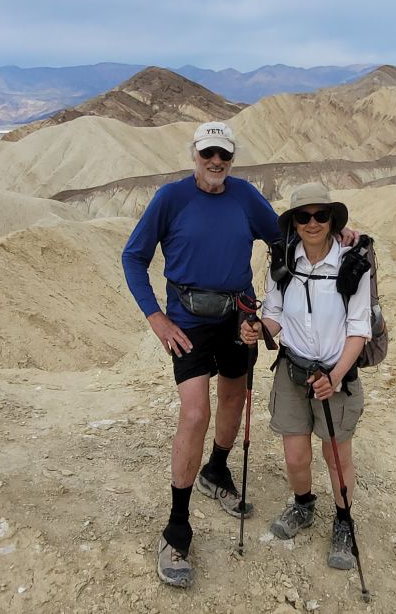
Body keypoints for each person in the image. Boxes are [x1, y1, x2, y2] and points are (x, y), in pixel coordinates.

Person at [122, 121, 280, 588]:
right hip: (187, 321)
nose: (216, 163)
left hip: (238, 317)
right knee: (195, 413)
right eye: (208, 154)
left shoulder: (246, 196)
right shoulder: (170, 199)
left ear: (232, 159)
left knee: (235, 398)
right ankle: (176, 526)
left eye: (224, 156)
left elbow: (283, 240)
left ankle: (216, 470)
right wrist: (156, 317)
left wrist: (335, 231)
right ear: (194, 154)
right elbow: (134, 257)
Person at [241, 183, 371, 571]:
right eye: (303, 216)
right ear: (293, 223)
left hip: (336, 375)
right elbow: (275, 314)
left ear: (332, 219)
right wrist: (257, 330)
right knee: (295, 456)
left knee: (335, 455)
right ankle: (303, 505)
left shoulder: (352, 264)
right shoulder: (284, 263)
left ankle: (344, 521)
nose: (312, 223)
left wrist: (335, 376)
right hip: (292, 371)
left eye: (320, 215)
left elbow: (358, 328)